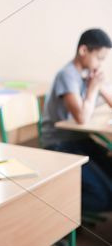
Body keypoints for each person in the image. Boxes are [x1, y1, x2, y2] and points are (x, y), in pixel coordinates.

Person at [41, 28, 112, 212]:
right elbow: (81, 117)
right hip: (59, 144)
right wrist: (92, 88)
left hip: (79, 140)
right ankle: (52, 209)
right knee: (102, 197)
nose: (100, 64)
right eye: (99, 58)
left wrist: (100, 87)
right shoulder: (68, 75)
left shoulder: (87, 75)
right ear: (83, 51)